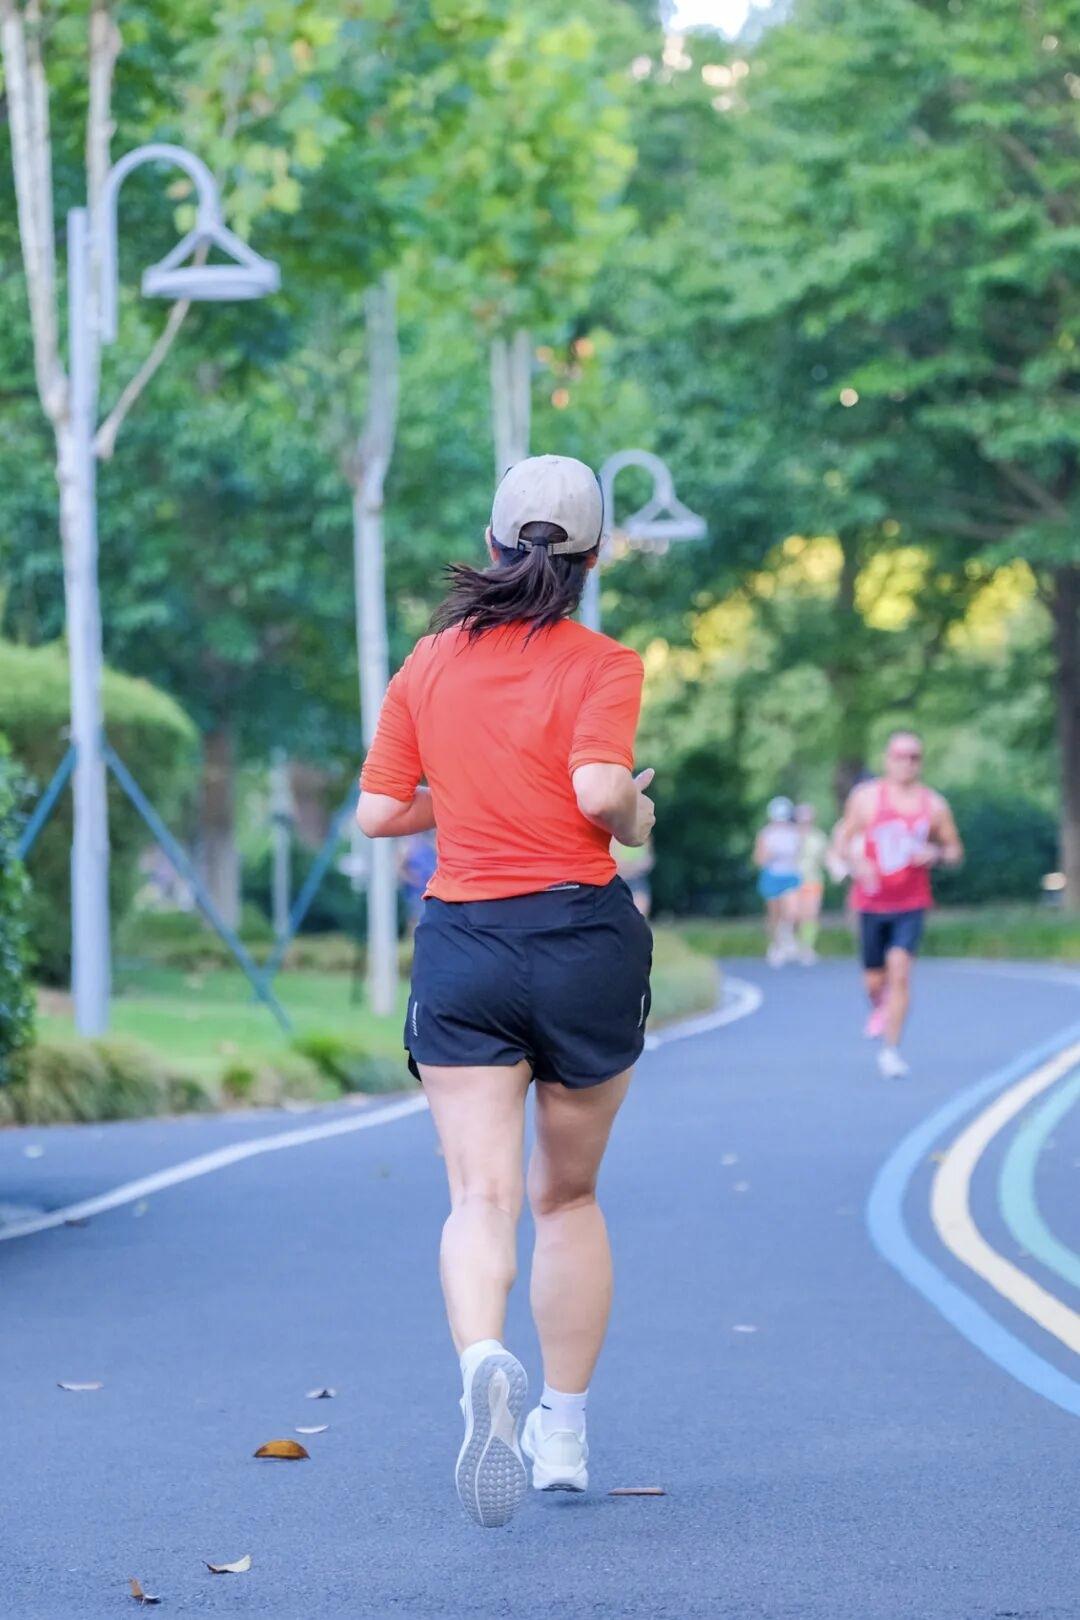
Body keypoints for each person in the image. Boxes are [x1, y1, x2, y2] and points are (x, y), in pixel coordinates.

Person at [357, 455, 654, 1529]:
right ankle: (563, 1434)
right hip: (579, 942)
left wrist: (472, 791)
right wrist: (633, 813)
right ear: (592, 558)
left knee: (478, 1198)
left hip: (466, 943)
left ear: (492, 546)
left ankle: (485, 1358)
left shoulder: (429, 664)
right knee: (566, 1197)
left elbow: (380, 811)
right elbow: (595, 792)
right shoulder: (604, 663)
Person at [839, 732, 962, 1078]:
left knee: (901, 972)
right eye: (900, 756)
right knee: (874, 981)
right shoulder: (866, 799)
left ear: (920, 762)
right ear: (887, 759)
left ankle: (890, 1050)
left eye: (914, 757)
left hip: (911, 902)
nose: (907, 763)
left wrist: (935, 854)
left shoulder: (934, 805)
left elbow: (955, 851)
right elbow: (843, 842)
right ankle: (880, 1006)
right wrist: (856, 863)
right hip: (871, 902)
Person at [753, 796, 802, 966]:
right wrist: (771, 854)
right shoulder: (766, 834)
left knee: (793, 912)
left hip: (790, 876)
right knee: (774, 914)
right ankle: (775, 946)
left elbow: (798, 855)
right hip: (772, 876)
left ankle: (789, 938)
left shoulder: (794, 833)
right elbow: (758, 859)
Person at [794, 803, 828, 964]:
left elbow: (825, 858)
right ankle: (790, 942)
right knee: (794, 914)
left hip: (813, 879)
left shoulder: (818, 837)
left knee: (811, 915)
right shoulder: (791, 836)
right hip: (792, 880)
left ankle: (807, 947)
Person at [613, 834, 655, 917]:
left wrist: (627, 866)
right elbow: (614, 864)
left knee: (640, 916)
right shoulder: (614, 836)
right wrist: (636, 866)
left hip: (638, 882)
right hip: (619, 883)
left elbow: (649, 861)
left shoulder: (644, 835)